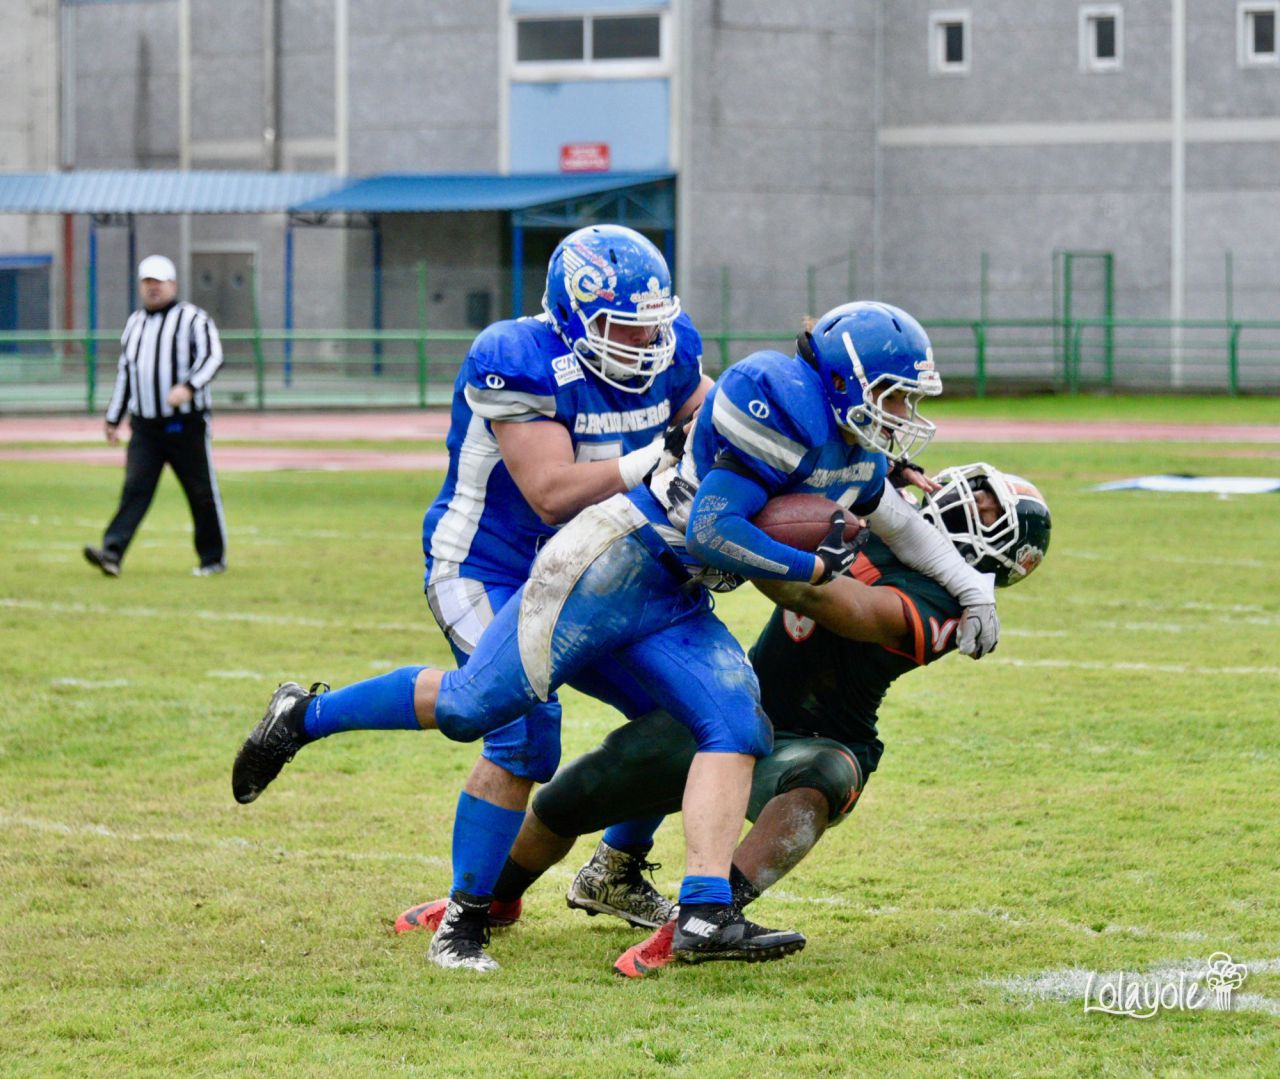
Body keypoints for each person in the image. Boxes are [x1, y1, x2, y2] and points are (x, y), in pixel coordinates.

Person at [231, 300, 1001, 972]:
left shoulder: (844, 436)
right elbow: (712, 525)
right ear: (841, 381)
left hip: (672, 589)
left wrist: (969, 586)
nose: (901, 412)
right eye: (892, 394)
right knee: (476, 709)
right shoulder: (776, 401)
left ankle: (704, 911)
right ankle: (304, 716)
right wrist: (809, 559)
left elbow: (894, 518)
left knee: (734, 722)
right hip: (606, 564)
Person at [396, 463, 1051, 977]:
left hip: (820, 736)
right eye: (975, 488)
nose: (967, 499)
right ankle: (495, 898)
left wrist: (736, 537)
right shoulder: (898, 524)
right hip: (740, 708)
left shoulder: (950, 611)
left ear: (1000, 553)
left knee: (823, 778)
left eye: (988, 508)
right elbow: (821, 476)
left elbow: (823, 597)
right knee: (567, 800)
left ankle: (698, 922)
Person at [416, 224, 710, 970]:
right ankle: (465, 916)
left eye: (653, 322)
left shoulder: (669, 351)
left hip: (587, 572)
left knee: (674, 718)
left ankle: (614, 867)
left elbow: (716, 422)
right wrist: (654, 460)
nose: (645, 340)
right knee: (521, 731)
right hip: (488, 564)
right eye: (624, 324)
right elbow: (548, 494)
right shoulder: (515, 356)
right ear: (575, 314)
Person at [83, 254, 227, 577]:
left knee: (200, 490)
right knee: (135, 488)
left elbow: (213, 357)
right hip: (145, 425)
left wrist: (188, 386)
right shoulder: (134, 323)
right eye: (148, 282)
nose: (153, 288)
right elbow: (126, 373)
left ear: (173, 285)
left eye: (159, 282)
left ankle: (212, 558)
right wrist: (113, 417)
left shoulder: (193, 319)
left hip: (185, 423)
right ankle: (112, 552)